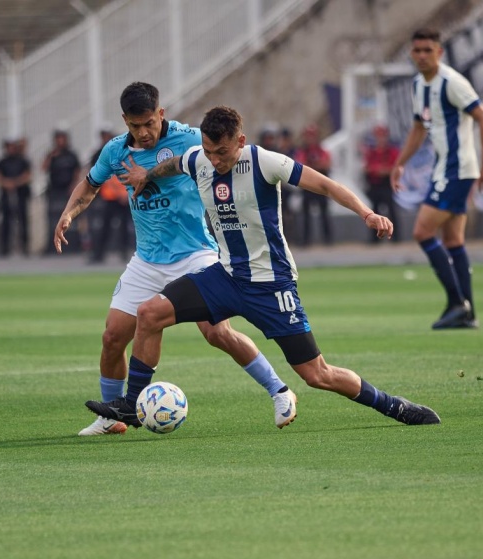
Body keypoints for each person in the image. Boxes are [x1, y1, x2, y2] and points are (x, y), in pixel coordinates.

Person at [88, 105, 440, 429]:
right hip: (225, 277)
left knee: (317, 375)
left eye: (222, 152)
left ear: (240, 141)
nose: (214, 160)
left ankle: (394, 406)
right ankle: (131, 404)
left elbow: (327, 185)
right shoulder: (198, 159)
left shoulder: (265, 162)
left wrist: (367, 213)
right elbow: (175, 163)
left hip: (272, 286)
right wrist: (147, 176)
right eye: (208, 151)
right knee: (150, 313)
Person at [54, 82, 296, 436]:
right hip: (147, 260)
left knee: (216, 333)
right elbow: (90, 185)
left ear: (161, 113)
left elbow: (233, 152)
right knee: (112, 337)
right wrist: (68, 214)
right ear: (125, 121)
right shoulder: (115, 151)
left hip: (196, 254)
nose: (144, 132)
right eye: (135, 126)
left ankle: (279, 390)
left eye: (149, 123)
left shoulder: (190, 139)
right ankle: (112, 417)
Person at [390, 28, 483, 329]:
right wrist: (400, 164)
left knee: (422, 231)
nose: (422, 55)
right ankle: (468, 311)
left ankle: (457, 303)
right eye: (417, 50)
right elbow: (418, 128)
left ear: (440, 52)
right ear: (411, 53)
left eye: (428, 50)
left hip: (458, 169)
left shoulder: (452, 82)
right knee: (453, 240)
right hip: (444, 169)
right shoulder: (419, 85)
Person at [88, 126, 132, 264]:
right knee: (105, 226)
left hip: (123, 197)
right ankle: (99, 254)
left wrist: (125, 193)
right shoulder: (99, 154)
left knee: (125, 226)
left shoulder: (123, 152)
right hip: (109, 196)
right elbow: (101, 175)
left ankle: (124, 252)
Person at [42, 129, 81, 254]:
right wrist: (51, 156)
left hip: (68, 191)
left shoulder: (71, 155)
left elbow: (77, 171)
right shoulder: (52, 154)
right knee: (53, 219)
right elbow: (43, 168)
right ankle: (52, 246)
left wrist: (74, 186)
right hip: (54, 191)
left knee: (69, 218)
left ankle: (72, 245)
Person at [294, 124, 332, 245]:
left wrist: (313, 165)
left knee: (324, 214)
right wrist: (314, 166)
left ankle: (328, 239)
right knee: (305, 215)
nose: (310, 139)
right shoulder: (302, 151)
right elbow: (299, 165)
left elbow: (326, 164)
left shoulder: (322, 151)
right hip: (307, 187)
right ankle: (306, 240)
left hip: (321, 186)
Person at [0, 138, 33, 257]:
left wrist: (15, 183)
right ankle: (5, 247)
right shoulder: (2, 162)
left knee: (23, 221)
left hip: (21, 194)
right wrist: (6, 184)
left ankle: (25, 247)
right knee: (6, 221)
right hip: (6, 195)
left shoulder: (22, 161)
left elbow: (27, 176)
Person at [363, 125, 401, 243]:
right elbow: (366, 168)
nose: (380, 139)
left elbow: (396, 167)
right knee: (373, 212)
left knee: (392, 211)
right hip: (375, 185)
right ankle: (374, 239)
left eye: (382, 136)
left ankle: (395, 237)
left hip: (386, 185)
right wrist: (377, 170)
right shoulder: (372, 152)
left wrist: (383, 170)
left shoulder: (392, 151)